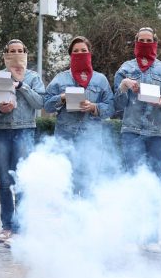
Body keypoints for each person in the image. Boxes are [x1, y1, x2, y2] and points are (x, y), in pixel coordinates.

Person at [43, 36, 114, 195]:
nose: (80, 53)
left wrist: (94, 107)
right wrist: (62, 98)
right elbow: (46, 105)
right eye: (76, 51)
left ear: (90, 53)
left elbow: (111, 107)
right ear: (70, 55)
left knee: (89, 186)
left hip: (92, 140)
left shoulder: (100, 79)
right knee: (67, 187)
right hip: (65, 139)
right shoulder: (60, 78)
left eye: (83, 50)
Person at [0, 39, 45, 245]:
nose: (16, 53)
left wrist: (22, 86)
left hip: (24, 130)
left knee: (21, 180)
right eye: (12, 50)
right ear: (6, 54)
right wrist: (0, 109)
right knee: (4, 181)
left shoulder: (33, 77)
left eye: (20, 50)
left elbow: (40, 102)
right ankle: (7, 226)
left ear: (25, 53)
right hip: (1, 130)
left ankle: (20, 229)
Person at [114, 27, 161, 179]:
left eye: (148, 41)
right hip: (131, 132)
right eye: (141, 41)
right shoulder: (125, 69)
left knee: (155, 179)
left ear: (155, 43)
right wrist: (123, 86)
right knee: (134, 178)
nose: (145, 43)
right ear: (136, 42)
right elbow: (118, 105)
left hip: (159, 133)